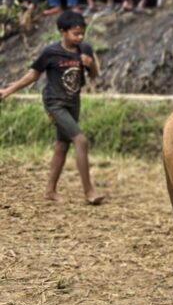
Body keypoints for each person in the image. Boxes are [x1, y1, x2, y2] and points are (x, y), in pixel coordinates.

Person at [0, 11, 106, 205]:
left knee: (62, 145)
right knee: (80, 140)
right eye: (75, 34)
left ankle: (50, 190)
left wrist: (91, 66)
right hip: (54, 103)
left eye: (82, 33)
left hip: (73, 101)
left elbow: (93, 76)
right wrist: (8, 90)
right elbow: (33, 75)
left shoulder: (85, 49)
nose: (80, 37)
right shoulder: (51, 52)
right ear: (62, 32)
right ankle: (89, 191)